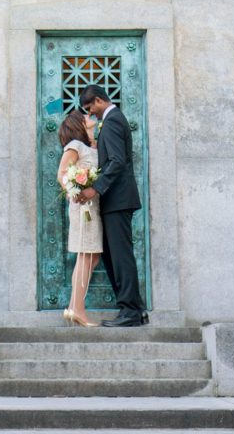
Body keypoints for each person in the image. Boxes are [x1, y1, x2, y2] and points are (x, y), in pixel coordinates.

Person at [78, 84, 148, 328]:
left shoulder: (113, 120)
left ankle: (130, 311)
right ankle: (136, 309)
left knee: (120, 257)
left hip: (118, 200)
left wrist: (94, 188)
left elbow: (117, 162)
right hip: (115, 200)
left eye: (91, 109)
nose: (91, 114)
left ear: (99, 100)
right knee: (114, 256)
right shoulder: (110, 121)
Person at [56, 110, 102, 327]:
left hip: (95, 207)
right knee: (87, 255)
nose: (90, 116)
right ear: (79, 124)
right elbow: (63, 173)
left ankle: (75, 307)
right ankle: (77, 309)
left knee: (91, 256)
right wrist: (75, 191)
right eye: (85, 116)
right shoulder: (76, 145)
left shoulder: (92, 146)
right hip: (84, 207)